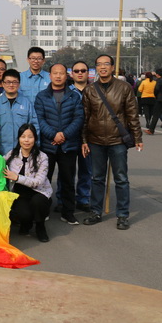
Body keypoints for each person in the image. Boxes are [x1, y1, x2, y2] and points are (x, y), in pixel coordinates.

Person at [81, 54, 143, 231]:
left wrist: (137, 137)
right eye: (99, 64)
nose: (103, 67)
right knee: (97, 178)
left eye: (106, 64)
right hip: (95, 140)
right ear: (96, 68)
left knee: (121, 179)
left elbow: (132, 114)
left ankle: (122, 215)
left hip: (117, 140)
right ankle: (95, 211)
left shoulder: (124, 88)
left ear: (112, 67)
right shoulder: (90, 90)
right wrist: (84, 140)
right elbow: (85, 117)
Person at [34, 63, 84, 225]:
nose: (58, 76)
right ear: (50, 76)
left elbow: (78, 118)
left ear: (66, 75)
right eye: (55, 73)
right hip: (48, 146)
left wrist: (64, 135)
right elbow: (39, 119)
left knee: (68, 180)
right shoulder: (42, 96)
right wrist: (53, 135)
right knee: (44, 180)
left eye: (61, 73)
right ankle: (43, 211)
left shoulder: (74, 96)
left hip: (68, 145)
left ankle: (68, 213)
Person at [4, 124, 52, 243]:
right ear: (18, 138)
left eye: (30, 137)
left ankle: (40, 227)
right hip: (21, 194)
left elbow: (38, 182)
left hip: (39, 192)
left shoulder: (42, 157)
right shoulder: (12, 154)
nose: (26, 140)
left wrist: (17, 177)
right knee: (23, 214)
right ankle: (27, 223)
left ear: (35, 139)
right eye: (23, 136)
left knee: (38, 202)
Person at [0, 69, 39, 156]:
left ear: (19, 84)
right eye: (8, 82)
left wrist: (35, 148)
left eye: (14, 82)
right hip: (1, 151)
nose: (11, 85)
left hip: (23, 151)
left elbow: (34, 126)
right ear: (3, 84)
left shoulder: (26, 103)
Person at [69, 60, 92, 213]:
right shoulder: (66, 91)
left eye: (83, 70)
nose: (80, 73)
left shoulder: (95, 91)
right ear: (72, 74)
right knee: (67, 171)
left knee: (86, 170)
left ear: (88, 73)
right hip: (70, 135)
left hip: (89, 136)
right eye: (76, 71)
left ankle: (83, 198)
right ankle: (65, 199)